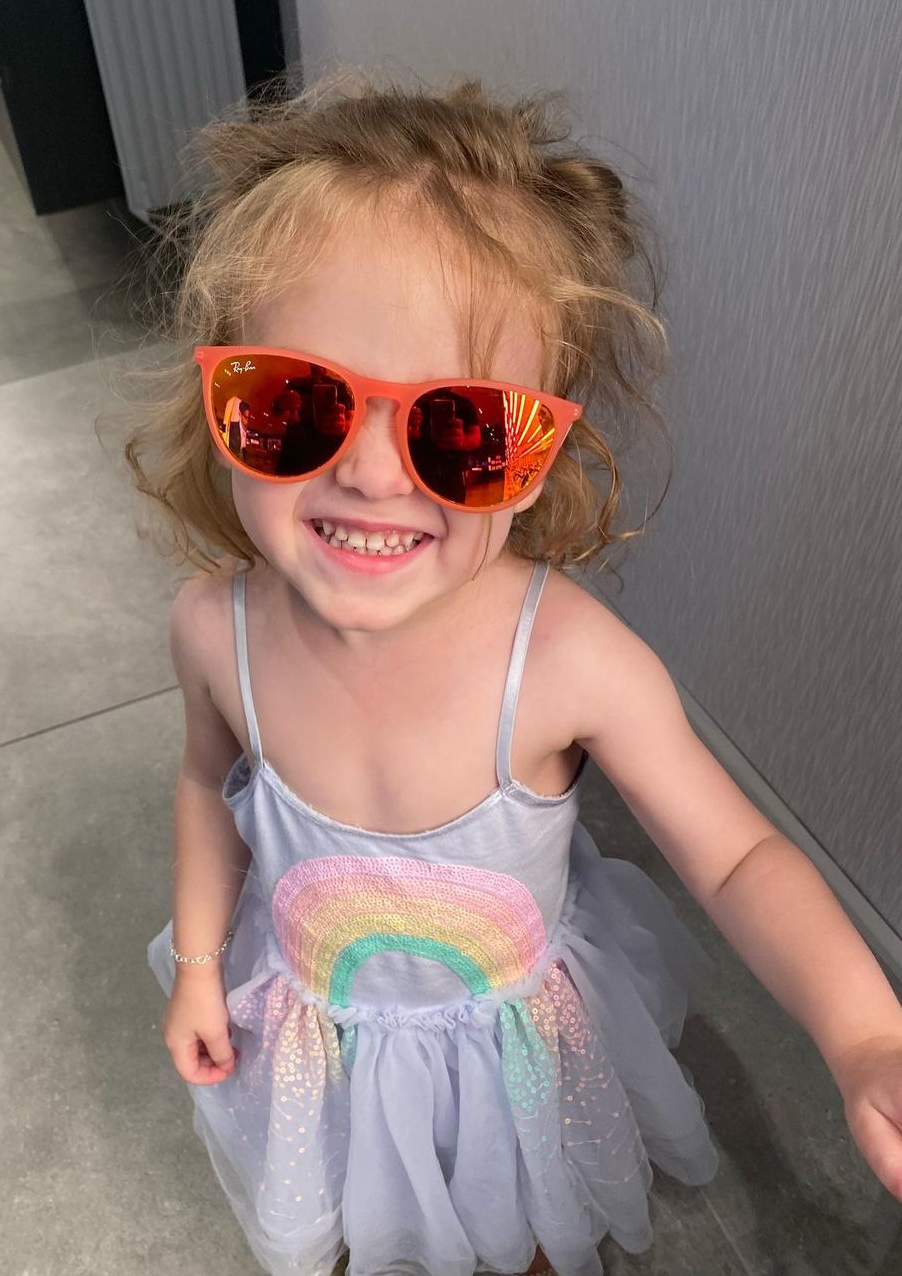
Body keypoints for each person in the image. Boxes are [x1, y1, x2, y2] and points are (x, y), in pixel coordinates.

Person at [125, 69, 902, 1276]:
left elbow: (738, 856)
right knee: (358, 1206)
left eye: (465, 427)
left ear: (543, 451)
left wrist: (865, 1034)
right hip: (321, 1035)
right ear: (217, 395)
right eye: (295, 403)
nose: (374, 474)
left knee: (528, 1213)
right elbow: (204, 790)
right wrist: (193, 965)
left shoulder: (571, 662)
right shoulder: (212, 629)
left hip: (513, 1056)